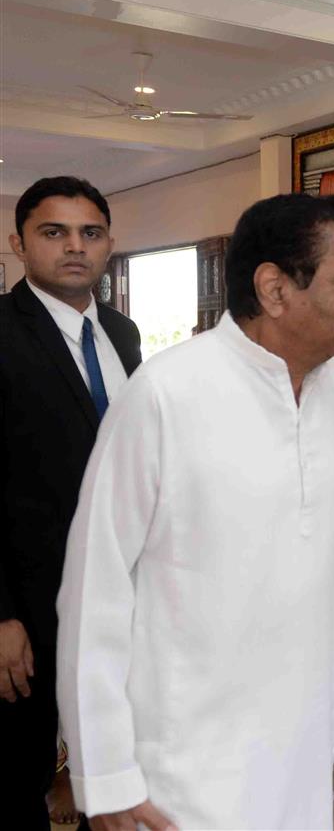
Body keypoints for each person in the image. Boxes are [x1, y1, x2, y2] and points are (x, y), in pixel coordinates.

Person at [55, 194, 334, 830]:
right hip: (183, 759)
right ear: (274, 288)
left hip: (303, 741)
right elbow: (95, 591)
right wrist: (105, 770)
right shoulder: (166, 394)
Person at [0, 177, 142, 830]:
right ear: (18, 243)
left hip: (121, 587)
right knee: (20, 765)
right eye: (53, 233)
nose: (74, 247)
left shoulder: (122, 332)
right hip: (28, 599)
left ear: (109, 244)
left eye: (90, 233)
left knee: (112, 758)